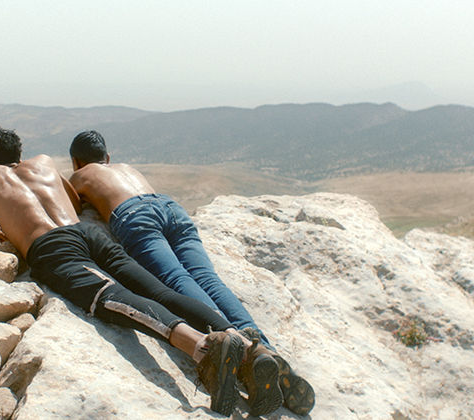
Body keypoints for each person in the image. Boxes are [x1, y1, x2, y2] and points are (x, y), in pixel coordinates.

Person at [0, 126, 278, 417]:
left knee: (113, 299)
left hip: (53, 249)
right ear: (19, 152)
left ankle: (204, 347)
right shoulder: (42, 164)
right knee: (159, 290)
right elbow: (72, 199)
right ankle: (249, 348)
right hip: (87, 233)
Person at [68, 130, 315, 416]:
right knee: (209, 279)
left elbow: (70, 206)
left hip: (135, 217)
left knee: (178, 280)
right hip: (170, 208)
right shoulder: (126, 168)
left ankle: (244, 355)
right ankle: (265, 351)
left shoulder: (79, 176)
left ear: (76, 161)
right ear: (107, 157)